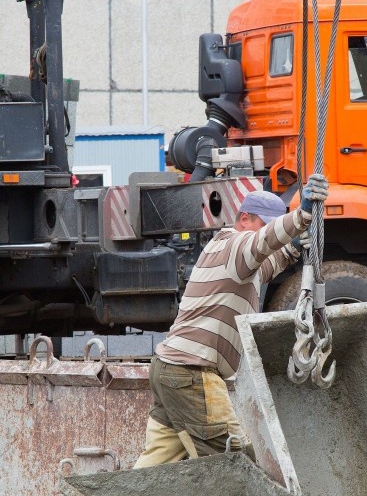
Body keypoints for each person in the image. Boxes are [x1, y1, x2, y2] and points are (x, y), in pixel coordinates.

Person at [133, 174, 329, 468]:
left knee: (157, 466)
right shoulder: (237, 243)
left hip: (169, 369)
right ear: (244, 219)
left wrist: (290, 250)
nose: (266, 236)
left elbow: (265, 265)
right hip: (192, 374)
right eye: (263, 224)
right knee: (236, 467)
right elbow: (263, 243)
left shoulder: (228, 254)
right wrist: (301, 217)